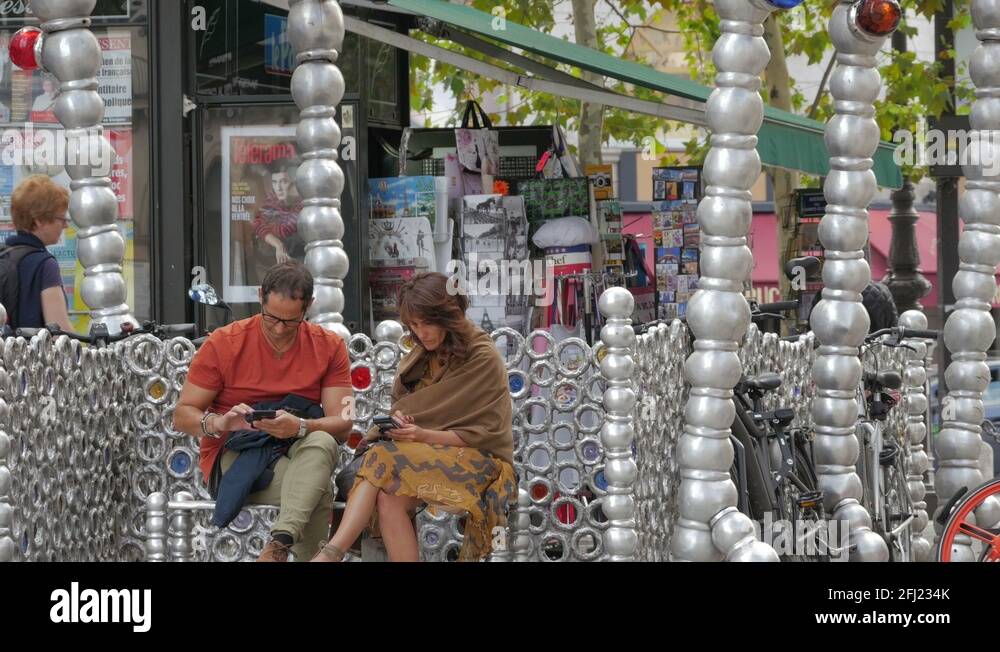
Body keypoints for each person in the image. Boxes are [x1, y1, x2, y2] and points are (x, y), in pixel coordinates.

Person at [312, 272, 516, 562]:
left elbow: (483, 434)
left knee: (381, 457)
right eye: (415, 325)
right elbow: (413, 411)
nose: (423, 333)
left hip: (483, 462)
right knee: (388, 497)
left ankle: (331, 554)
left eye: (429, 322)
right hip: (424, 456)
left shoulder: (481, 356)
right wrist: (407, 428)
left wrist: (421, 434)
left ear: (449, 315)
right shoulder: (419, 357)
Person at [173, 261, 354, 562]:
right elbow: (182, 415)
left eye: (292, 321)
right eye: (271, 318)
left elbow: (344, 425)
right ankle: (280, 546)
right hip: (237, 455)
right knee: (317, 491)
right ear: (260, 297)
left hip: (301, 449)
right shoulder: (224, 343)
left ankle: (277, 547)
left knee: (321, 441)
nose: (280, 329)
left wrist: (300, 426)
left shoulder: (329, 345)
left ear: (309, 307)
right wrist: (221, 422)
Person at [0, 175, 73, 331]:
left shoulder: (4, 255)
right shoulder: (45, 265)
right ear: (40, 220)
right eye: (61, 218)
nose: (65, 225)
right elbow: (59, 332)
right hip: (33, 353)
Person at [252, 160, 303, 281]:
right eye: (275, 182)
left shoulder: (302, 204)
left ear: (293, 183)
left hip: (298, 263)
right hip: (268, 263)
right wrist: (278, 245)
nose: (278, 188)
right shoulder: (271, 200)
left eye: (284, 182)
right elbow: (257, 223)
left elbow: (283, 229)